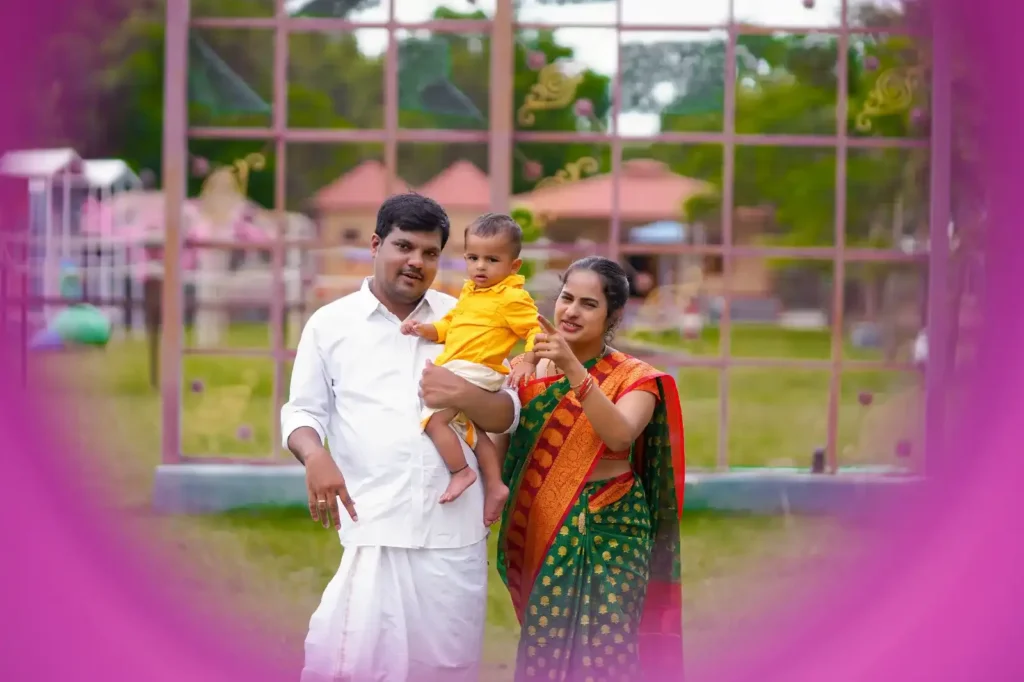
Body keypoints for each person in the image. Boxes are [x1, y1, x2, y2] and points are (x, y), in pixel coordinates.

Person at [281, 193, 522, 682]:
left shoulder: (467, 317)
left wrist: (462, 393)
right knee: (349, 664)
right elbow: (303, 411)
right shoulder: (330, 325)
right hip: (375, 525)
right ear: (375, 244)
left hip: (451, 534)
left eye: (430, 253)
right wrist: (314, 456)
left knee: (445, 668)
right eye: (404, 247)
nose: (416, 262)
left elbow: (507, 415)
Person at [494, 256, 686, 681]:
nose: (571, 312)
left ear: (613, 314)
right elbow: (499, 448)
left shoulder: (635, 378)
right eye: (566, 298)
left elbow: (619, 436)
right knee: (544, 646)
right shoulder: (524, 373)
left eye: (588, 304)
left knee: (607, 651)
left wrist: (573, 370)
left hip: (613, 525)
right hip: (544, 522)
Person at [401, 212, 541, 524]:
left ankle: (461, 472)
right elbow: (451, 324)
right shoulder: (470, 292)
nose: (480, 266)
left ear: (513, 266)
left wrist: (529, 360)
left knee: (435, 420)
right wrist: (426, 330)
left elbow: (536, 330)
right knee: (472, 431)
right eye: (473, 257)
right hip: (461, 367)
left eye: (492, 259)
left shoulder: (512, 297)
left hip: (478, 368)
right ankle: (495, 485)